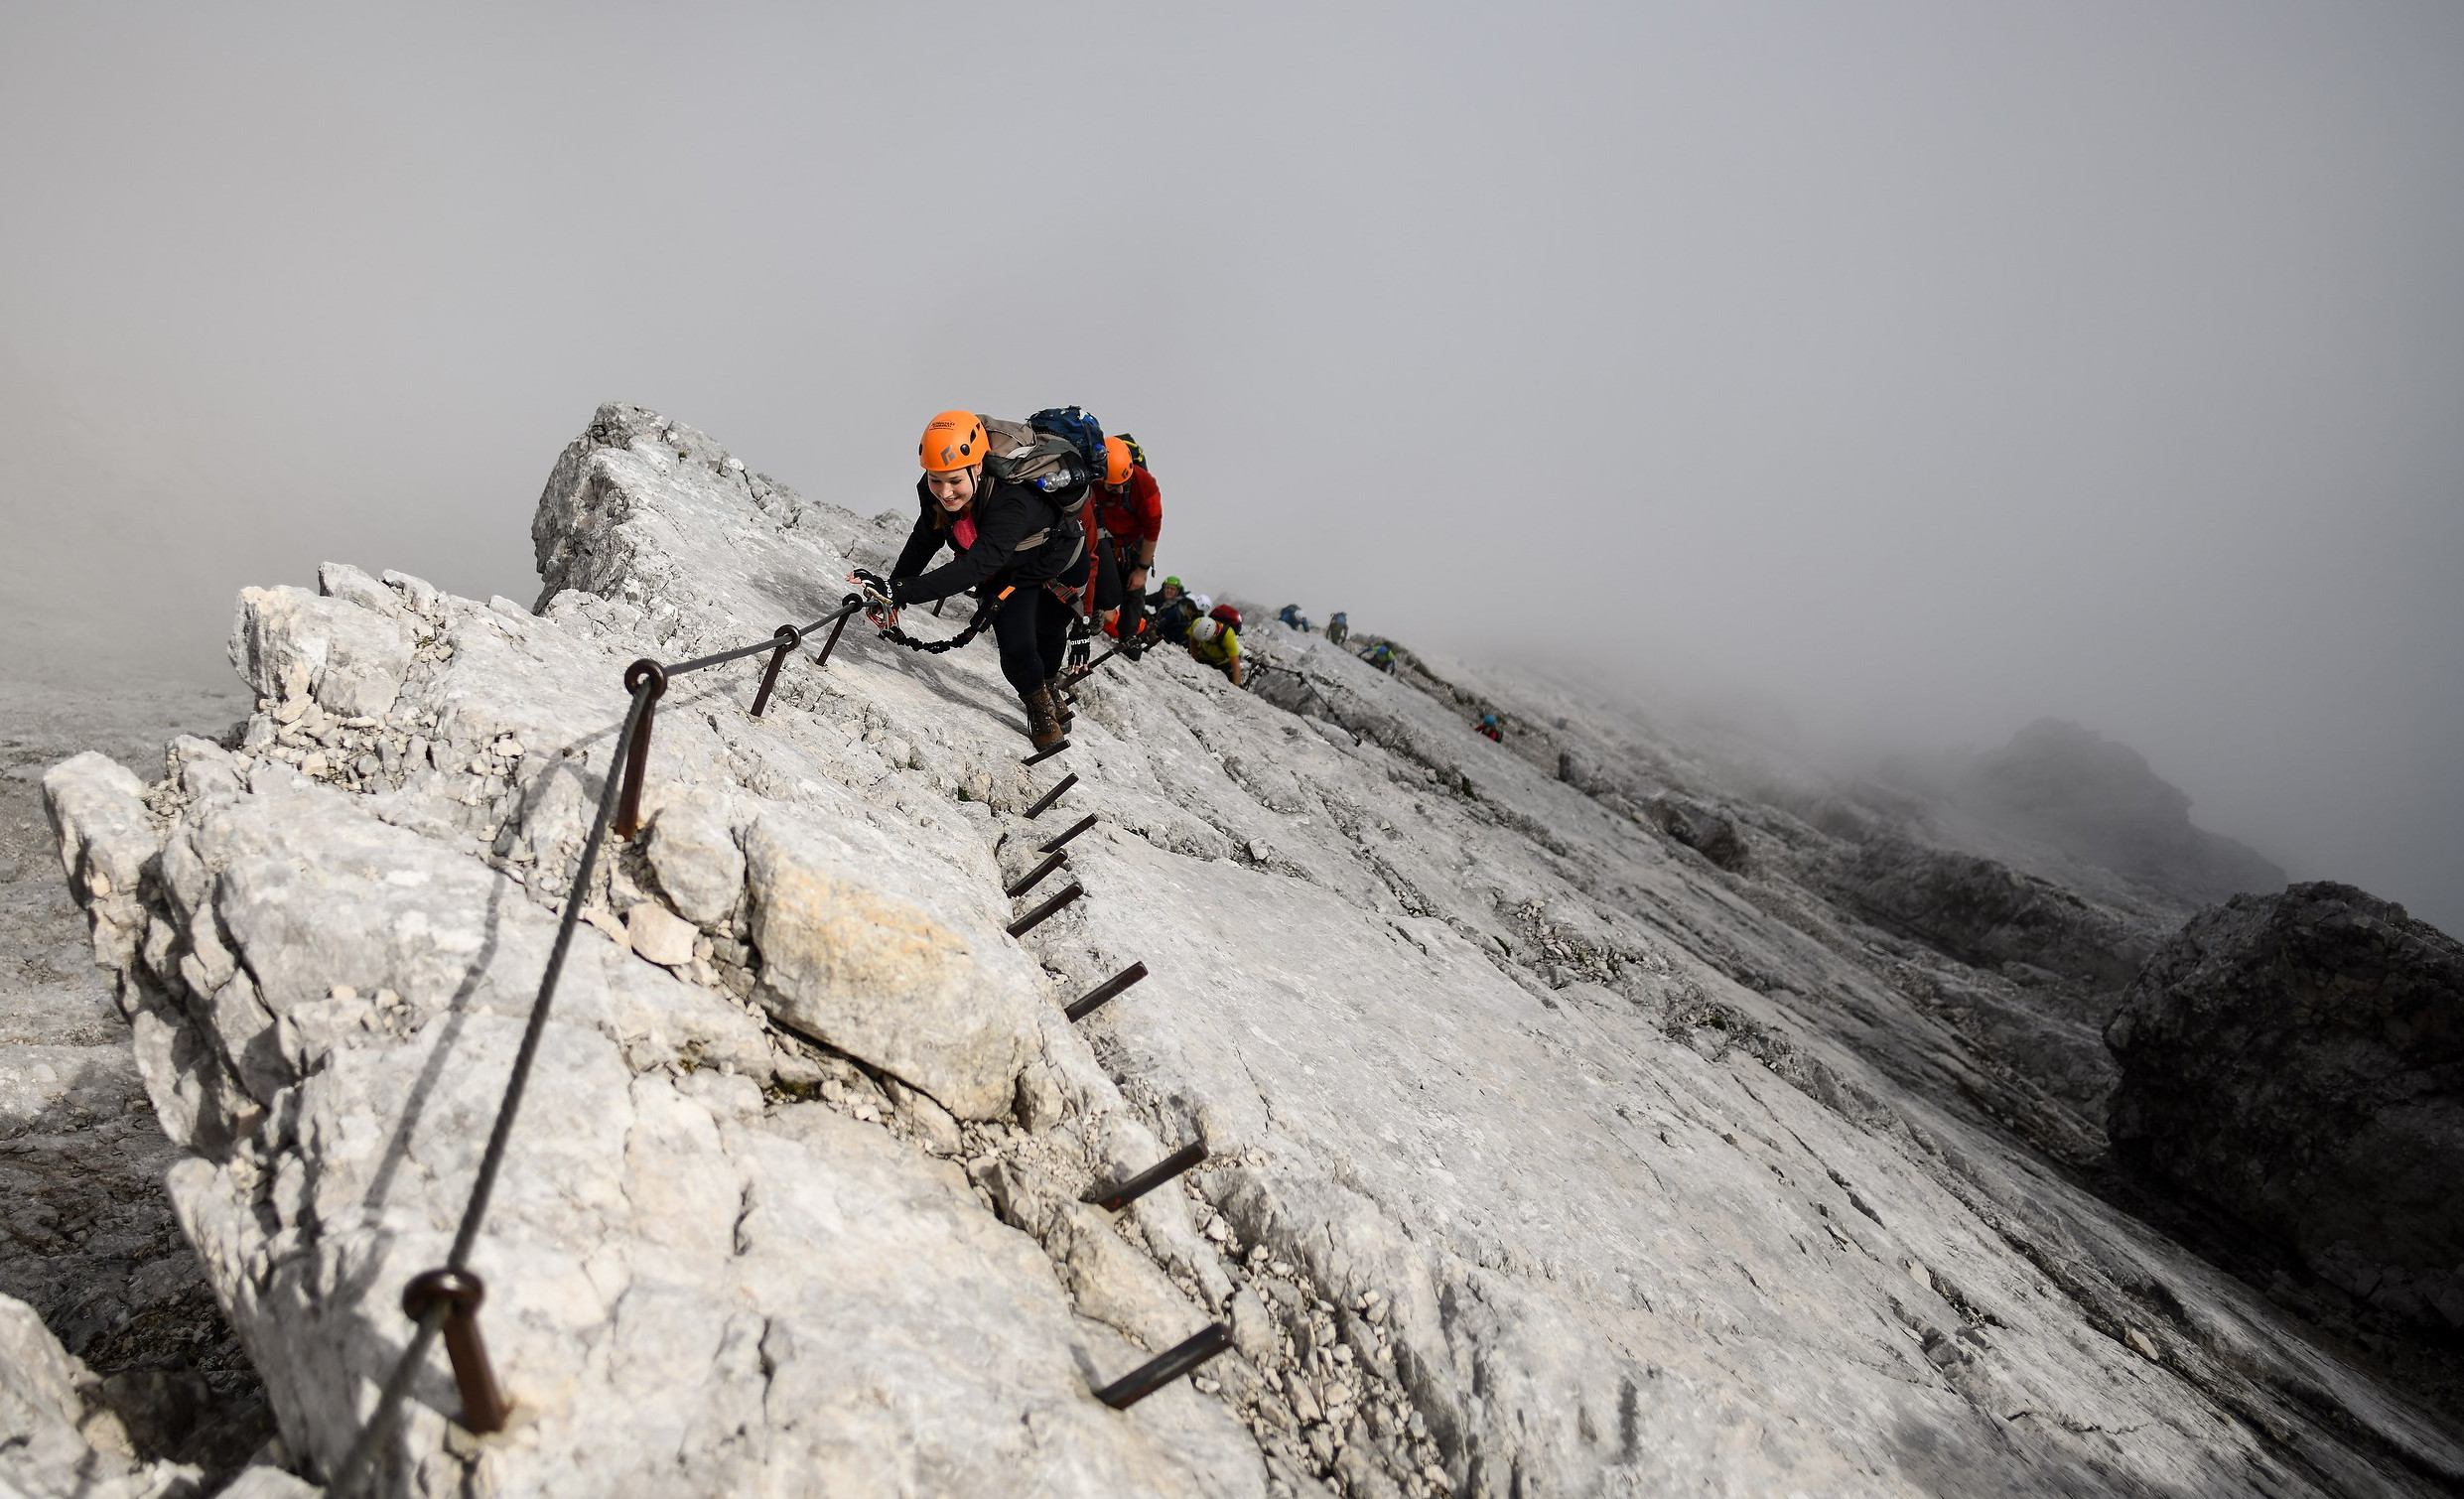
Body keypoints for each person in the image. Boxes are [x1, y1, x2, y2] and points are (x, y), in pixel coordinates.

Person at [854, 409, 1088, 750]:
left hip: (1056, 562)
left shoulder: (1013, 500)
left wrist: (899, 590)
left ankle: (1050, 683)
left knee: (1049, 629)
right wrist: (892, 591)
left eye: (954, 481)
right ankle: (1037, 700)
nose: (945, 492)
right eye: (936, 480)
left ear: (977, 466)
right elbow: (925, 538)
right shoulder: (934, 489)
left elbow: (974, 567)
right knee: (1017, 647)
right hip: (1006, 569)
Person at [1089, 437, 1164, 644]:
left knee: (1134, 588)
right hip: (1103, 536)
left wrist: (1142, 570)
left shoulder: (1145, 484)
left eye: (1124, 484)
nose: (1120, 491)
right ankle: (1094, 608)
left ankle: (1128, 636)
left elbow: (1152, 530)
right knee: (1103, 579)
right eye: (1114, 487)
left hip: (1132, 542)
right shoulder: (1092, 480)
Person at [1187, 613, 1244, 686]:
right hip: (1204, 656)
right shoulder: (1197, 624)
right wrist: (1195, 661)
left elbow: (1235, 664)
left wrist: (1236, 686)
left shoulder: (1228, 636)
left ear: (1213, 635)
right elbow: (1193, 641)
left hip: (1222, 664)